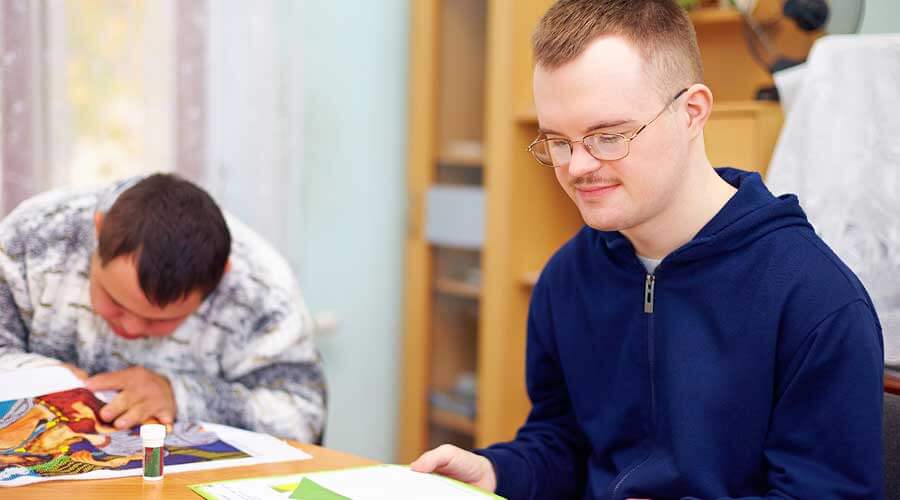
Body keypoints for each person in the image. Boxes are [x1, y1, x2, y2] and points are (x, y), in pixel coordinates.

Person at [412, 1, 884, 498]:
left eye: (608, 137)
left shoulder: (816, 302)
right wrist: (496, 474)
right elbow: (565, 444)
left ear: (692, 113)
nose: (576, 168)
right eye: (558, 141)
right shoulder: (568, 277)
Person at [0, 174, 325, 443]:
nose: (132, 329)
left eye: (162, 321)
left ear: (221, 278)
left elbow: (303, 416)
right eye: (114, 301)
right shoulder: (36, 238)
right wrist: (35, 377)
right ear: (98, 233)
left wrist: (182, 396)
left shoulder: (259, 287)